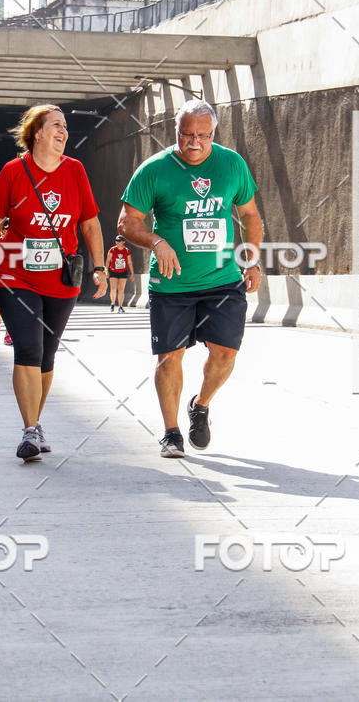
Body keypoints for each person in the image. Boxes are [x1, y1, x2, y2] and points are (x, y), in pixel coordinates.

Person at [118, 100, 262, 458]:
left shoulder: (232, 164)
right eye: (187, 135)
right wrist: (156, 241)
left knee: (225, 354)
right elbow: (127, 222)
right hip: (172, 284)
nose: (194, 142)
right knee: (170, 357)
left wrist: (252, 259)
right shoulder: (154, 170)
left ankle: (200, 405)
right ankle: (171, 432)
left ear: (214, 133)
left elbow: (249, 214)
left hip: (222, 279)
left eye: (203, 135)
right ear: (176, 131)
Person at [0, 104, 107, 461]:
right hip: (15, 275)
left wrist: (99, 267)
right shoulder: (13, 171)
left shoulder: (75, 170)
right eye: (56, 125)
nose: (63, 131)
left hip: (60, 279)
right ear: (37, 133)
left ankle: (36, 422)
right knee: (28, 348)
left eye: (65, 126)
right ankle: (30, 429)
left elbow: (90, 223)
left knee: (47, 354)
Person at [105, 234, 135, 312]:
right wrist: (106, 271)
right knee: (113, 288)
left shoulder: (127, 250)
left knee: (121, 290)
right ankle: (113, 303)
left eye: (119, 241)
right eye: (116, 241)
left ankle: (120, 306)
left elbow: (129, 262)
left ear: (123, 242)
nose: (117, 242)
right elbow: (108, 261)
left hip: (123, 272)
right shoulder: (112, 250)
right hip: (113, 271)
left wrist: (132, 273)